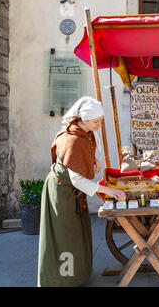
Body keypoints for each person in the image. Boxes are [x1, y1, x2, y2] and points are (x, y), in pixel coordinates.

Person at [37, 96, 126, 287]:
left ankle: (77, 275)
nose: (99, 125)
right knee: (65, 238)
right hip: (62, 193)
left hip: (72, 192)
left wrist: (94, 160)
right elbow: (77, 179)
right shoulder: (73, 139)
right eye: (96, 122)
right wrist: (106, 190)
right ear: (83, 119)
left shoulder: (84, 132)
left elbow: (89, 147)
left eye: (100, 121)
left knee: (77, 234)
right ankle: (62, 280)